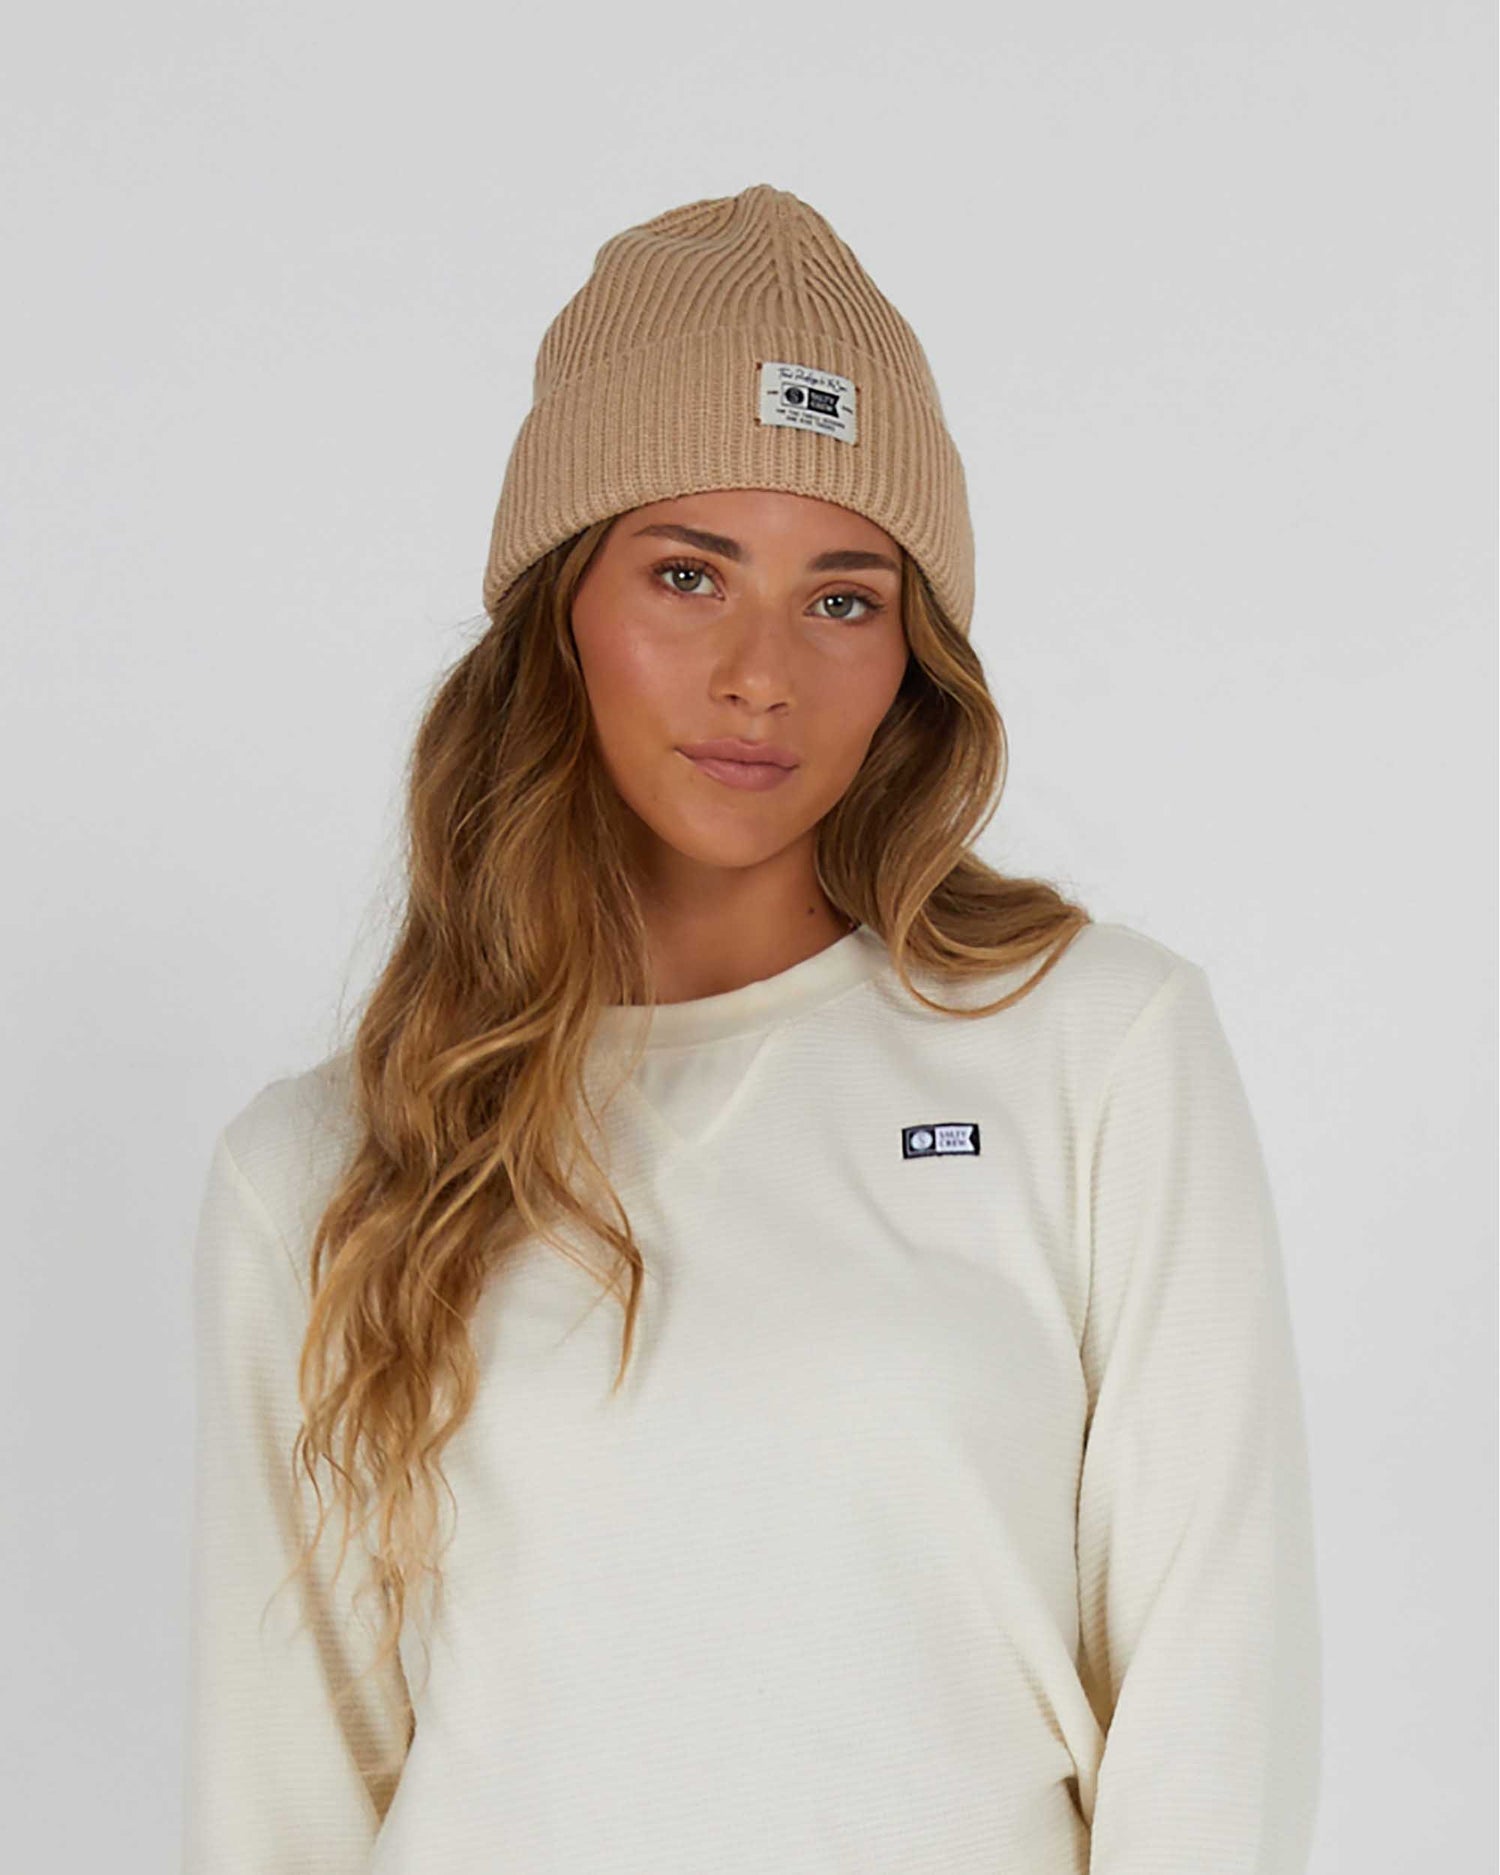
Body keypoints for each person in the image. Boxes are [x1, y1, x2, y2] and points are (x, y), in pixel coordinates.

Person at [181, 183, 1322, 1874]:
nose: (762, 673)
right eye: (687, 575)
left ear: (914, 653)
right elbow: (281, 1795)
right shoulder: (331, 1168)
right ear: (560, 611)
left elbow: (1215, 1699)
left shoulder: (1091, 1046)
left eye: (843, 598)